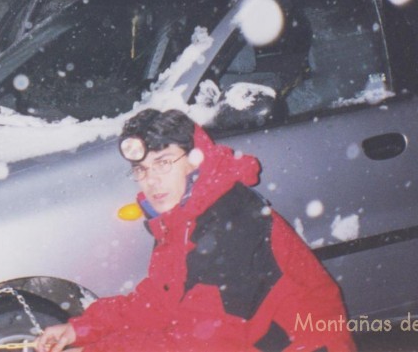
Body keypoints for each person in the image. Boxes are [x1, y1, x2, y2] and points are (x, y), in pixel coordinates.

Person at [34, 108, 355, 352]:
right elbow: (159, 302)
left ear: (194, 160)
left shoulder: (231, 220)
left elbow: (204, 339)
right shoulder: (183, 218)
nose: (152, 180)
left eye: (164, 162)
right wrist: (81, 330)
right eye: (142, 170)